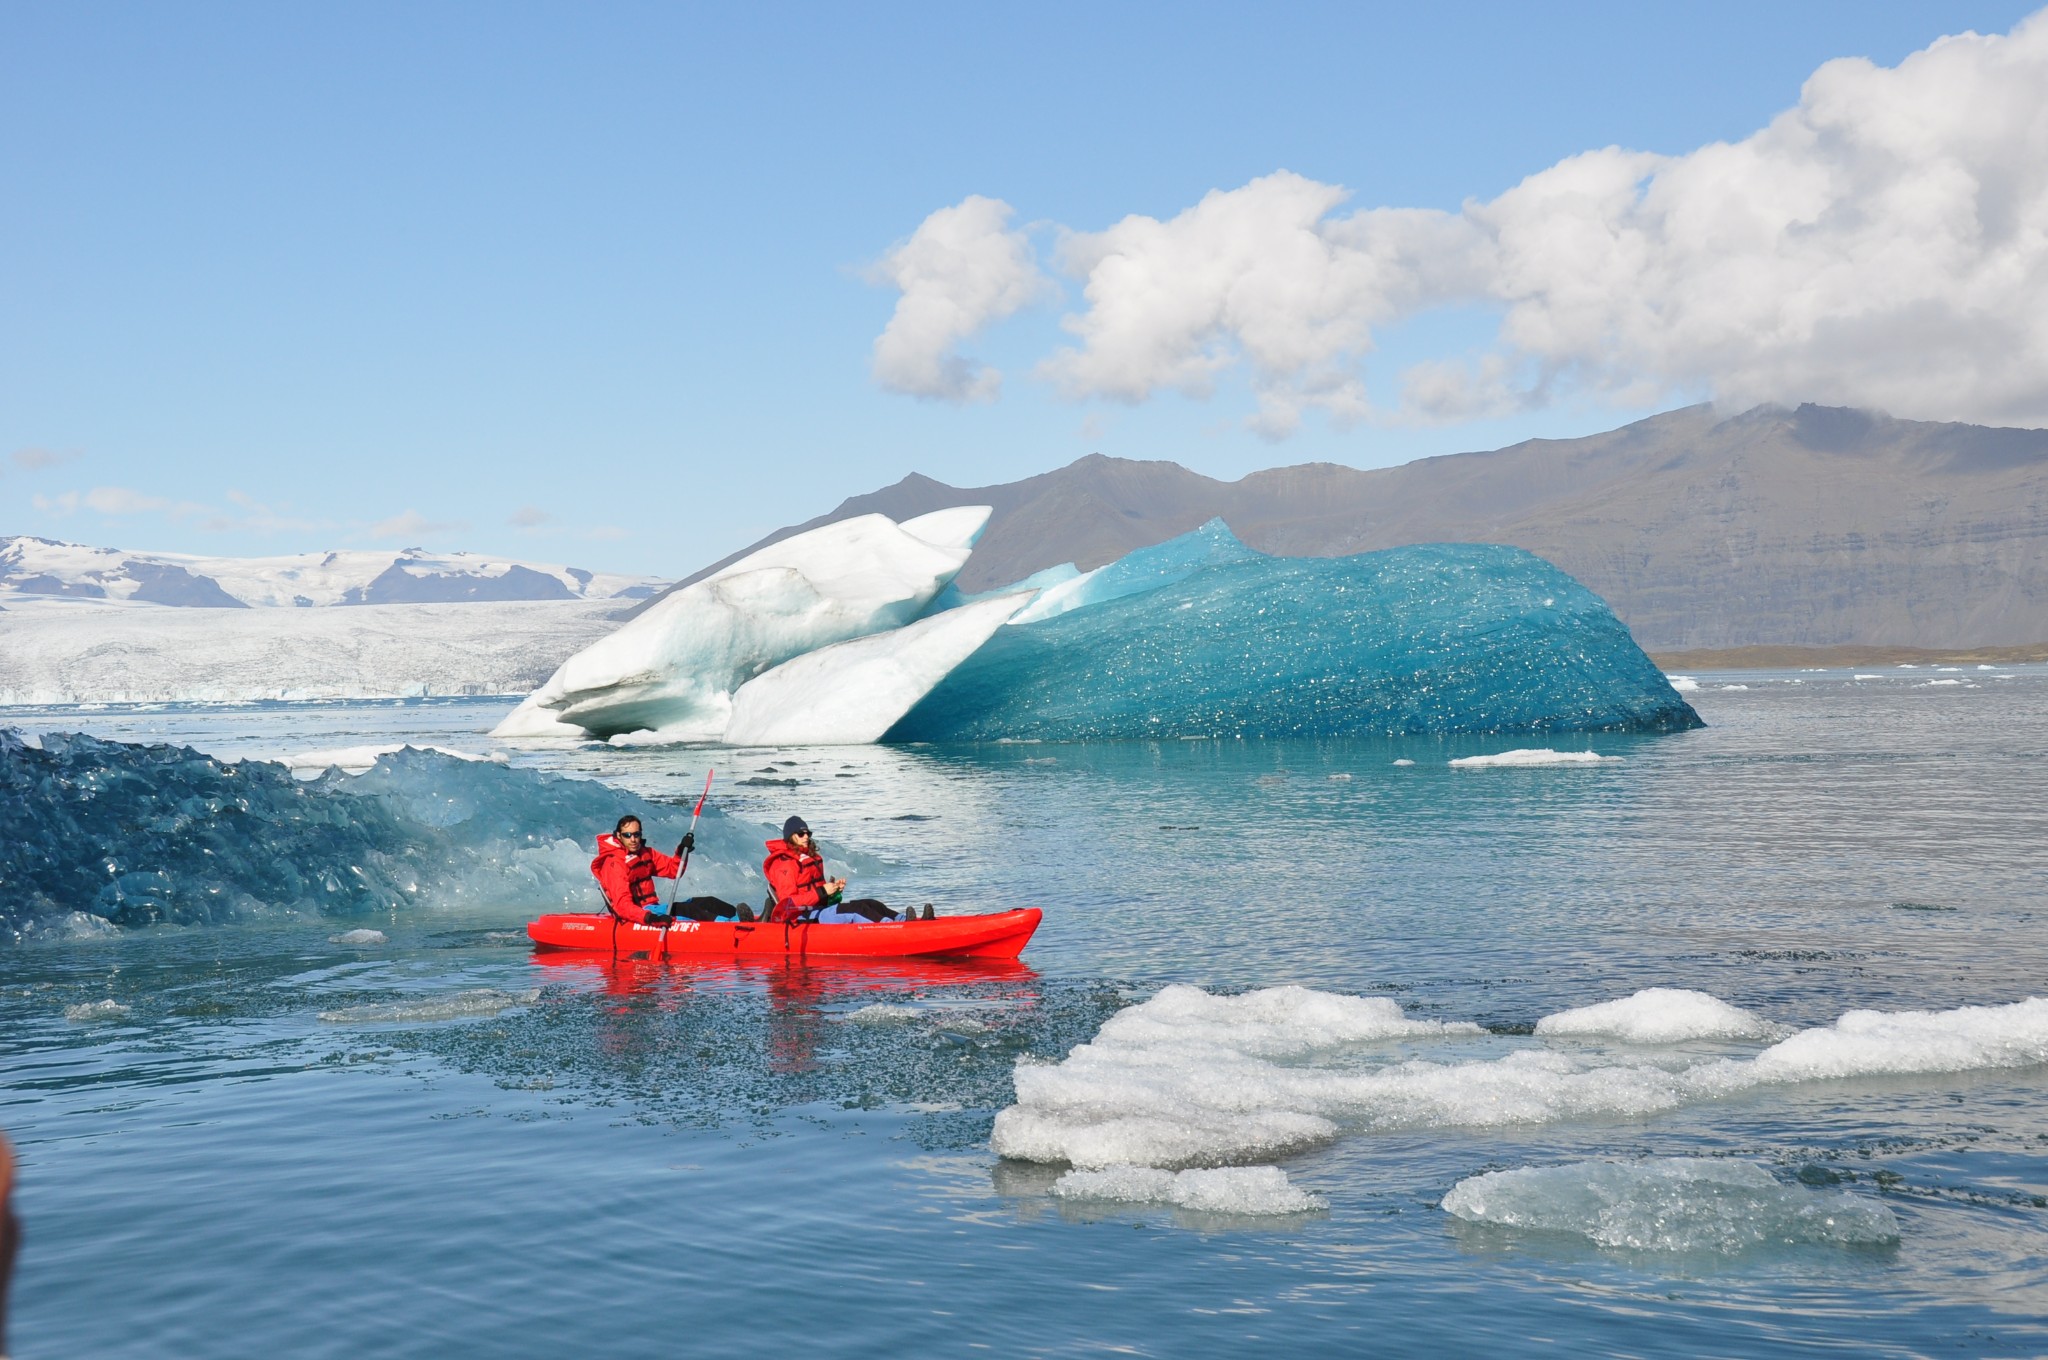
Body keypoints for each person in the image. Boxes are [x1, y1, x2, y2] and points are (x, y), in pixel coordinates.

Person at [761, 816, 932, 924]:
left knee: (870, 903)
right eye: (801, 834)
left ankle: (908, 921)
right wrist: (822, 891)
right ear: (791, 836)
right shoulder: (783, 864)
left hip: (818, 911)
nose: (806, 837)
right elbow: (788, 903)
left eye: (808, 833)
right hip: (802, 919)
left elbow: (821, 897)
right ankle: (894, 928)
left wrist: (833, 891)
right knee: (857, 911)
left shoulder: (810, 858)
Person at [590, 815, 752, 924]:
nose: (633, 839)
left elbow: (673, 870)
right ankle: (730, 927)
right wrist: (650, 918)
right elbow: (622, 906)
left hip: (653, 908)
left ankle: (744, 920)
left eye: (636, 834)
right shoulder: (614, 864)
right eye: (627, 835)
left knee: (708, 901)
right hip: (639, 915)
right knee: (686, 909)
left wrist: (682, 851)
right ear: (619, 836)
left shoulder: (646, 853)